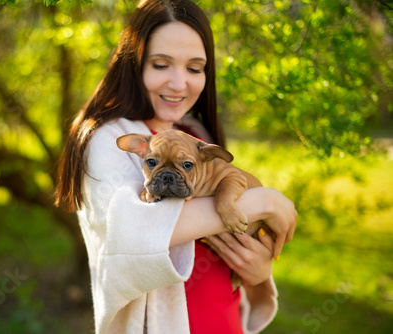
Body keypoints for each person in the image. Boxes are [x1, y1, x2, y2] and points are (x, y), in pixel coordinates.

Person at [56, 0, 297, 333]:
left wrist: (257, 274)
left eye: (195, 68)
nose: (179, 83)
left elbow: (230, 260)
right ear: (134, 64)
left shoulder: (193, 136)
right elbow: (130, 234)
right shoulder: (107, 139)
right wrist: (263, 201)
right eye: (161, 64)